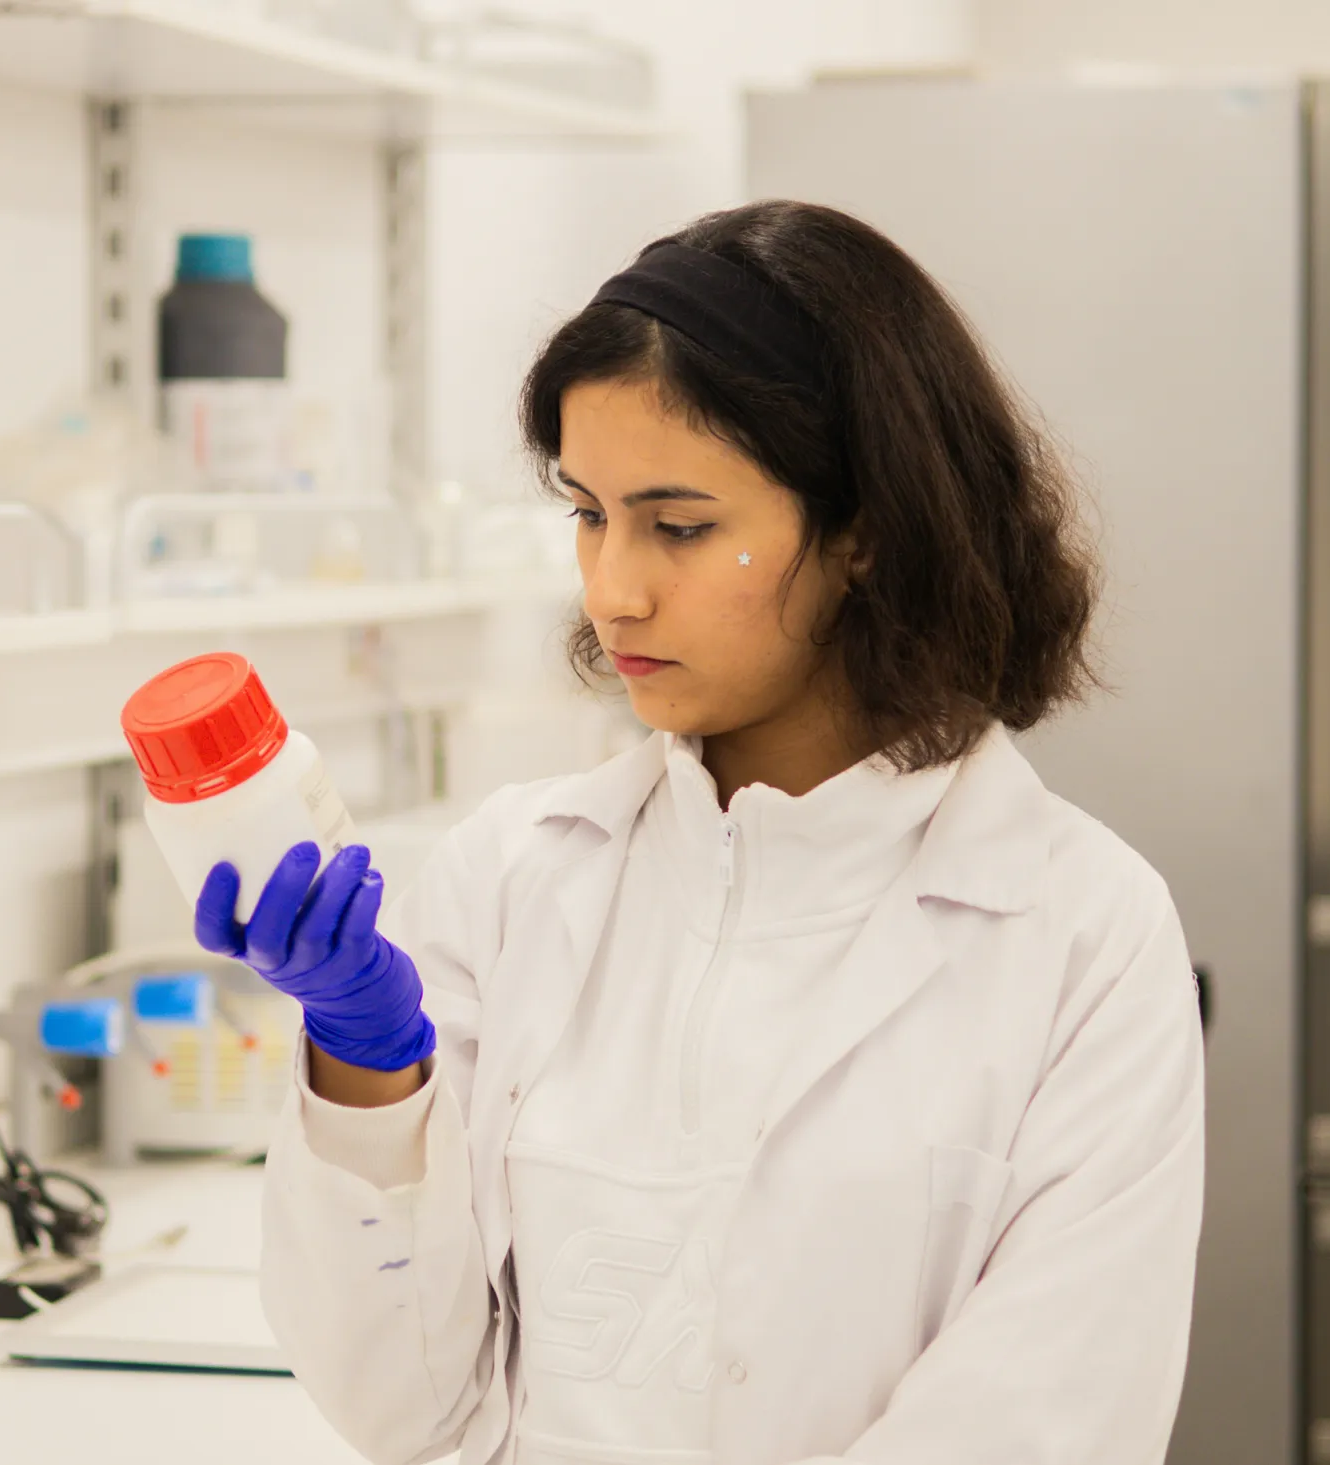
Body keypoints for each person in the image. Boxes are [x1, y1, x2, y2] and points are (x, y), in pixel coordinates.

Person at [195, 199, 1204, 1465]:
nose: (613, 586)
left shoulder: (1082, 934)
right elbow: (406, 1407)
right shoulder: (515, 875)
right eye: (586, 513)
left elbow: (1047, 1415)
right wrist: (365, 1071)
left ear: (864, 533)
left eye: (680, 526)